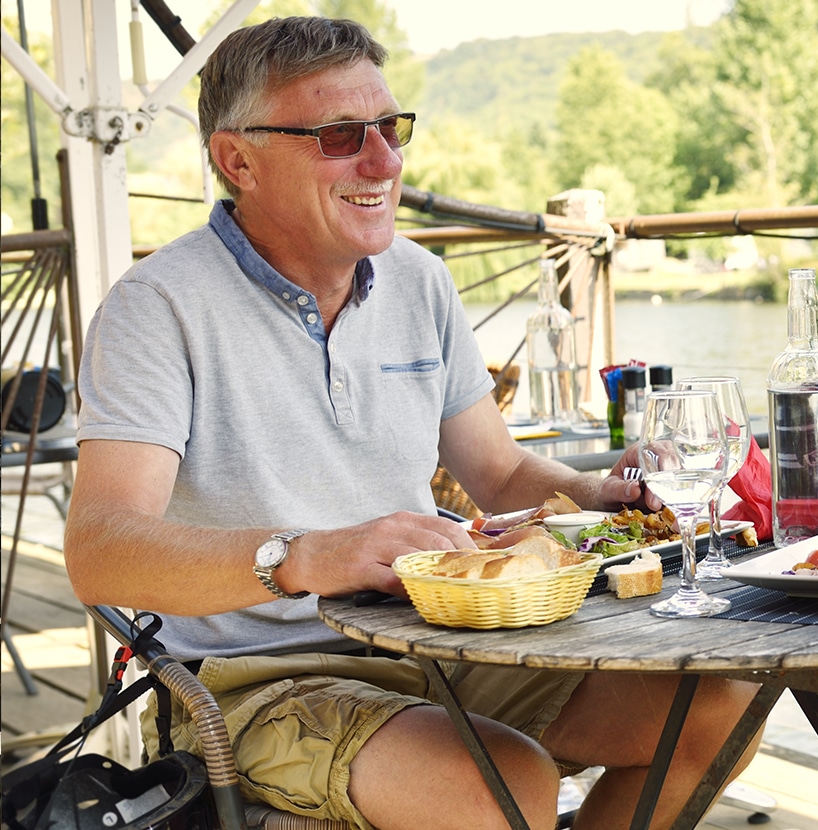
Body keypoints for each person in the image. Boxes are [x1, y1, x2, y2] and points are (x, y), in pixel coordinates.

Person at [63, 17, 754, 830]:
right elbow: (99, 551)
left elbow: (496, 475)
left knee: (718, 704)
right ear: (236, 160)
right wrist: (305, 555)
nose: (385, 161)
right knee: (502, 784)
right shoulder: (158, 308)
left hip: (438, 644)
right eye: (339, 136)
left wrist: (592, 490)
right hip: (253, 681)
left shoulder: (419, 281)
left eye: (391, 128)